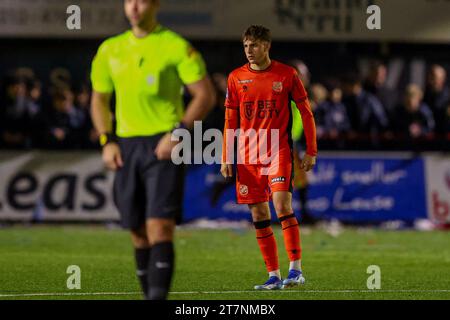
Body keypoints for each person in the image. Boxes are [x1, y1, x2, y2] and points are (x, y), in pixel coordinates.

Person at [90, 0, 215, 300]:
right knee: (136, 231)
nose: (134, 6)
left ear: (156, 4)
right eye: (129, 0)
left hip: (163, 145)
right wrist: (106, 141)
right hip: (125, 145)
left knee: (159, 226)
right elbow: (99, 100)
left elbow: (205, 95)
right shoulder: (110, 49)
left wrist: (179, 133)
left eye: (141, 0)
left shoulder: (175, 45)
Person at [221, 25, 317, 290]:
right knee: (259, 213)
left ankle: (295, 270)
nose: (249, 51)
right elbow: (230, 120)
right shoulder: (235, 78)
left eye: (254, 45)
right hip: (248, 154)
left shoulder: (287, 74)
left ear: (266, 46)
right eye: (245, 45)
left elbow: (306, 113)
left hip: (279, 151)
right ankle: (273, 275)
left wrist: (311, 150)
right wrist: (226, 156)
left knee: (282, 205)